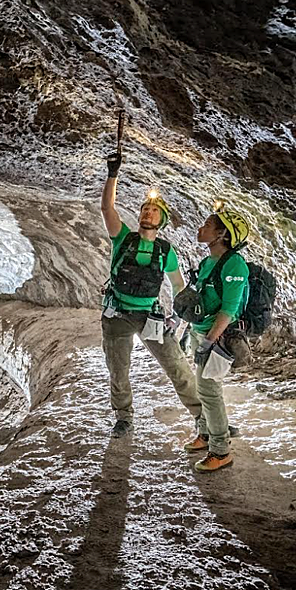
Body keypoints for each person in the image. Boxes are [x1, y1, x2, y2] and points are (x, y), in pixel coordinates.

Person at [99, 151, 204, 438]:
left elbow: (179, 287)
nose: (148, 212)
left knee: (178, 368)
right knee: (119, 371)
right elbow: (107, 209)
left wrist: (177, 319)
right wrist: (113, 174)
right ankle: (123, 416)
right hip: (118, 314)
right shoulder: (123, 238)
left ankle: (204, 418)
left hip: (150, 316)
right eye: (145, 209)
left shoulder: (165, 251)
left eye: (154, 210)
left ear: (162, 220)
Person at [185, 206, 252, 473]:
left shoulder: (234, 264)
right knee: (202, 388)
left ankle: (221, 450)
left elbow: (229, 309)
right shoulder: (208, 262)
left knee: (209, 392)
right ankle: (205, 434)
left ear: (222, 234)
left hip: (218, 336)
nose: (201, 229)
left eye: (207, 225)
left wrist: (209, 341)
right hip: (199, 330)